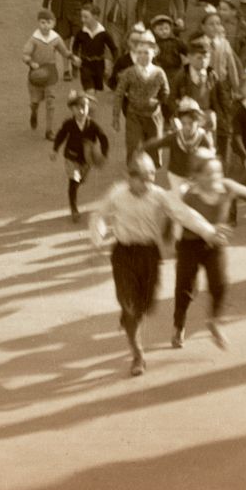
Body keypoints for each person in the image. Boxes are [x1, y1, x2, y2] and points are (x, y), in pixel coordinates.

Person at [92, 153, 219, 376]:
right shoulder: (117, 193)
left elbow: (184, 214)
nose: (147, 182)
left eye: (151, 176)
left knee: (145, 306)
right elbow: (99, 215)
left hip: (149, 255)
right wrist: (97, 238)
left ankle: (128, 311)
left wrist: (209, 231)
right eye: (141, 177)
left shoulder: (159, 195)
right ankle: (138, 355)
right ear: (128, 176)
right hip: (123, 253)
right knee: (133, 309)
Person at [169, 152, 246, 351]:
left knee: (221, 285)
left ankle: (214, 321)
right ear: (197, 176)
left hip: (215, 245)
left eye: (217, 172)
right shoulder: (190, 195)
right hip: (189, 245)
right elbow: (175, 217)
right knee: (185, 289)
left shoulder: (227, 187)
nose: (214, 177)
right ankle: (178, 325)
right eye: (208, 173)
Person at [47, 91, 111, 222]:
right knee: (74, 181)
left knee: (81, 180)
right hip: (71, 157)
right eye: (78, 108)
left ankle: (76, 188)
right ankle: (74, 209)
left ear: (88, 108)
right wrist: (55, 150)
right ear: (72, 109)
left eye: (84, 107)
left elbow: (103, 138)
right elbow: (60, 136)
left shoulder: (92, 125)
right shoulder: (69, 124)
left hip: (87, 160)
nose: (81, 111)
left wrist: (104, 154)